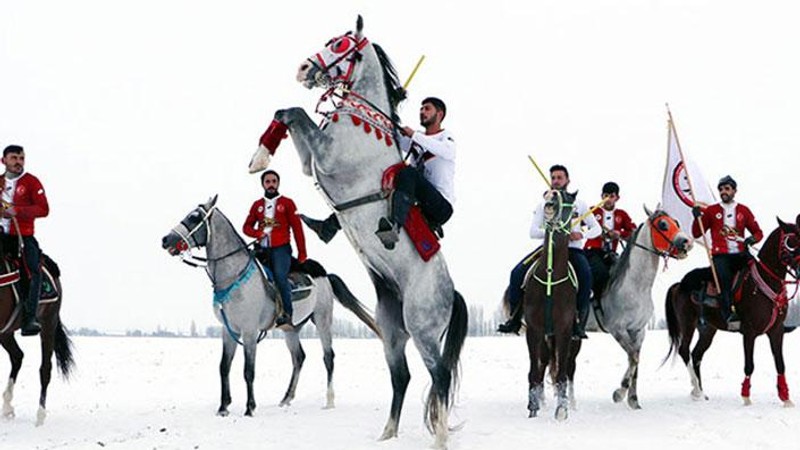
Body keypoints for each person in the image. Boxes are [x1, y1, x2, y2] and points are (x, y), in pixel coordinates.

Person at [301, 97, 456, 250]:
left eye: (427, 109)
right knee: (379, 184)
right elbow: (391, 135)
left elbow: (446, 152)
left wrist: (414, 135)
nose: (422, 112)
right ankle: (329, 227)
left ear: (440, 114)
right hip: (420, 201)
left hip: (440, 207)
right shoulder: (415, 141)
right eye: (421, 109)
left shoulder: (445, 138)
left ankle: (394, 225)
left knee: (408, 173)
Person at [497, 165, 601, 338]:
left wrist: (580, 233)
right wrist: (552, 232)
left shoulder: (579, 204)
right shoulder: (544, 205)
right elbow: (533, 231)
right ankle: (514, 319)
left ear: (568, 180)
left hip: (573, 251)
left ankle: (578, 322)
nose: (556, 181)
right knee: (516, 273)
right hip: (548, 248)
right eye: (553, 177)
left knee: (586, 277)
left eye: (560, 177)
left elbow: (596, 229)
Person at [691, 175, 762, 328]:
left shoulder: (744, 210)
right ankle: (729, 314)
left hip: (741, 254)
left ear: (734, 191)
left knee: (759, 273)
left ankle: (766, 311)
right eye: (721, 189)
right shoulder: (711, 211)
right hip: (721, 256)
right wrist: (697, 217)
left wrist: (752, 239)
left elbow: (758, 232)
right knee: (724, 279)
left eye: (727, 189)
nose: (724, 192)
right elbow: (697, 233)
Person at [242, 170, 307, 327]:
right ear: (263, 184)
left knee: (279, 277)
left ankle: (287, 314)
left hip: (281, 250)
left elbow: (298, 229)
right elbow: (246, 227)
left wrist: (302, 252)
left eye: (273, 181)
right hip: (262, 251)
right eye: (267, 182)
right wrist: (257, 233)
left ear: (278, 183)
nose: (271, 184)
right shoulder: (257, 206)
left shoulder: (287, 203)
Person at [0, 145, 49, 336]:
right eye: (14, 158)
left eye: (21, 158)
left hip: (22, 236)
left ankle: (30, 318)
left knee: (32, 269)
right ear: (4, 161)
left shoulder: (31, 182)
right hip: (1, 235)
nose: (18, 162)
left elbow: (43, 209)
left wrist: (17, 211)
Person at [583, 182, 635, 302]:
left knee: (620, 275)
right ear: (601, 196)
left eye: (611, 196)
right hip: (593, 250)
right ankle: (592, 297)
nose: (608, 199)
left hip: (610, 253)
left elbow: (632, 231)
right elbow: (579, 221)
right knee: (600, 272)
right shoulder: (593, 211)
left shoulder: (621, 215)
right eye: (605, 196)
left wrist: (619, 234)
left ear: (617, 198)